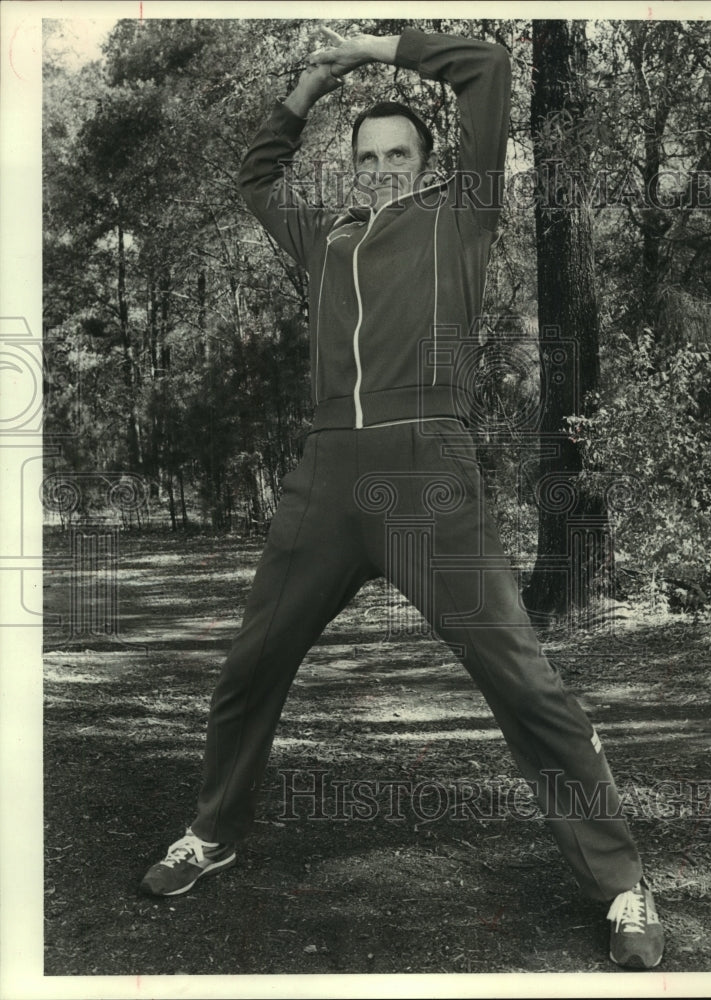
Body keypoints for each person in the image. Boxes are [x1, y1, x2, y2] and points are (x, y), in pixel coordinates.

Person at [140, 25, 665, 970]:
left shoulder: (460, 211)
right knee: (248, 668)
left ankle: (622, 884)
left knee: (523, 680)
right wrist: (307, 89)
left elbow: (488, 69)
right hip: (324, 477)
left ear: (428, 162)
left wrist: (372, 48)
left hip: (429, 475)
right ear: (353, 170)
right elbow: (257, 180)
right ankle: (211, 834)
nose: (382, 170)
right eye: (368, 159)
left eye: (398, 155)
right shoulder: (324, 237)